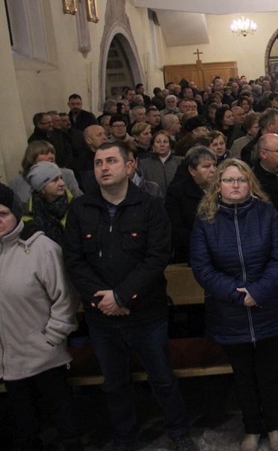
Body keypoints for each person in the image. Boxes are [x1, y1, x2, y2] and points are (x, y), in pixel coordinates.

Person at [63, 141, 196, 451]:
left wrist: (122, 296)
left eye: (111, 161)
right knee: (115, 384)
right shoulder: (81, 209)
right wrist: (103, 300)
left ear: (129, 166)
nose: (104, 168)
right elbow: (74, 260)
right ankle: (125, 437)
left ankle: (179, 431)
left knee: (162, 378)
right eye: (98, 163)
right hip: (102, 317)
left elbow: (156, 256)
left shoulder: (150, 206)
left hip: (146, 313)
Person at [190, 158, 278, 451]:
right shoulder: (206, 218)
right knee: (243, 375)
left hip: (267, 306)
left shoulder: (266, 212)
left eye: (241, 180)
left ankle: (274, 425)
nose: (235, 185)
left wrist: (258, 292)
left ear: (250, 184)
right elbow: (202, 266)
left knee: (269, 372)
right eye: (228, 180)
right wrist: (238, 295)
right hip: (229, 311)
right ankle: (252, 427)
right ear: (218, 185)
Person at [0, 183, 82, 451]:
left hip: (44, 351)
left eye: (2, 214)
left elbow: (65, 297)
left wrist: (52, 338)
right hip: (9, 356)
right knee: (23, 425)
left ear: (16, 213)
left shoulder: (41, 248)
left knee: (62, 418)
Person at [165, 146, 217, 264]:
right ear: (192, 170)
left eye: (214, 165)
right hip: (190, 256)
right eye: (206, 166)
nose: (213, 170)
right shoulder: (177, 192)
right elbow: (175, 230)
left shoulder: (223, 190)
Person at [9, 141, 82, 209]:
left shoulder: (67, 174)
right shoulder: (16, 182)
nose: (51, 156)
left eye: (52, 152)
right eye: (45, 153)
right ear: (32, 157)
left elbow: (79, 199)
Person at [141, 130, 183, 198]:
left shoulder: (180, 161)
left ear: (170, 145)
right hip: (153, 203)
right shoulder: (143, 164)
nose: (162, 145)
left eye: (165, 142)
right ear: (153, 146)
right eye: (158, 142)